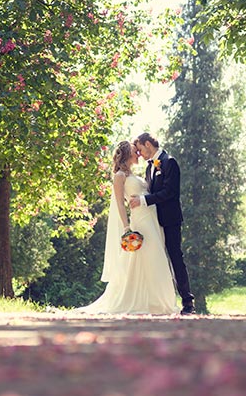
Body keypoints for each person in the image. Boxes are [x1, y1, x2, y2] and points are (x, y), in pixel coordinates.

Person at [80, 140, 178, 315]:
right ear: (127, 154)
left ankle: (157, 302)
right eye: (135, 151)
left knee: (154, 259)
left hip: (153, 220)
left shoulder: (136, 173)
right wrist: (126, 227)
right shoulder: (119, 176)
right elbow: (119, 203)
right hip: (140, 222)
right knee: (147, 258)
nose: (138, 154)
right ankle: (146, 302)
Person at [129, 132, 196, 315]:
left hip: (170, 220)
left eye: (141, 149)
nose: (140, 154)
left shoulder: (170, 162)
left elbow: (170, 192)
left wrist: (143, 201)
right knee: (155, 261)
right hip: (151, 222)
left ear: (148, 144)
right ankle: (157, 301)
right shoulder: (150, 167)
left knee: (175, 257)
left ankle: (188, 302)